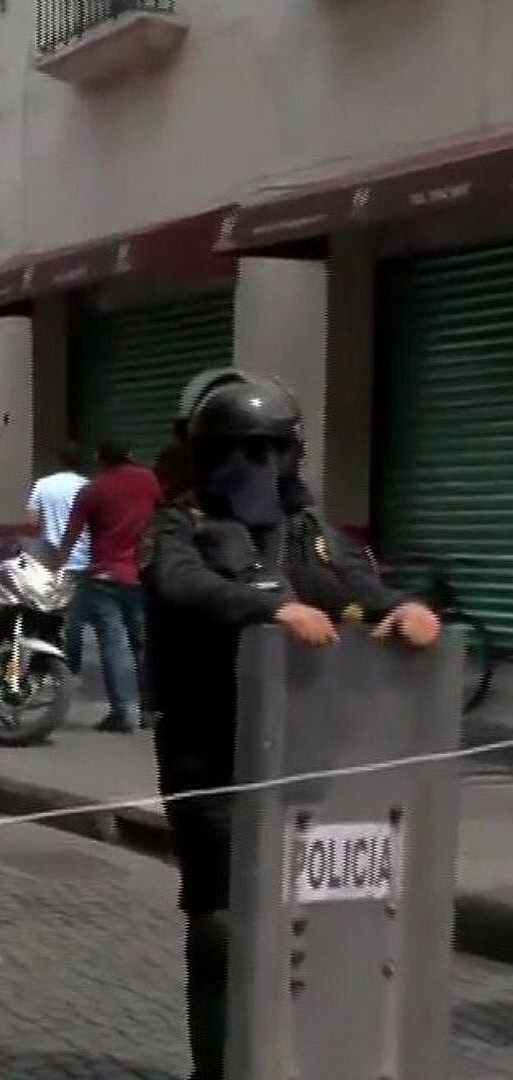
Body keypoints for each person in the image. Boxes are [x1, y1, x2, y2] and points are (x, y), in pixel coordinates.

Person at [144, 368, 441, 1080]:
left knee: (306, 915)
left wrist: (399, 610)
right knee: (220, 922)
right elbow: (182, 585)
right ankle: (214, 1067)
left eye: (270, 451)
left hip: (300, 751)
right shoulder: (179, 524)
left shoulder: (303, 533)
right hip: (207, 757)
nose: (257, 470)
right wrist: (266, 608)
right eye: (240, 453)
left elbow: (351, 588)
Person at [58, 440, 162, 732]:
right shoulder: (149, 481)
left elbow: (71, 535)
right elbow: (165, 514)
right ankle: (149, 711)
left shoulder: (93, 490)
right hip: (139, 576)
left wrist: (57, 567)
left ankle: (121, 713)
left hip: (103, 577)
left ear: (101, 459)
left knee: (113, 645)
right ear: (130, 455)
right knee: (142, 643)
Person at [27, 443, 92, 670]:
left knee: (44, 611)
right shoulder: (88, 486)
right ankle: (71, 665)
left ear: (60, 461)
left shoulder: (43, 485)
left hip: (49, 560)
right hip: (81, 560)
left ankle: (40, 662)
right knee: (74, 616)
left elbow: (32, 523)